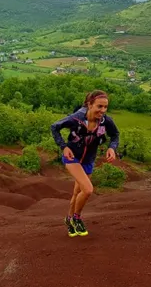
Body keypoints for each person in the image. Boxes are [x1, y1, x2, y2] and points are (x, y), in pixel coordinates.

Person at [50, 90, 120, 237]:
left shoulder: (106, 121)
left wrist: (112, 148)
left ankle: (68, 219)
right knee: (88, 190)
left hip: (88, 160)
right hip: (72, 157)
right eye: (99, 106)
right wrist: (64, 147)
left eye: (105, 107)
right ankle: (77, 218)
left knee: (77, 192)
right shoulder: (76, 119)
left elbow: (115, 135)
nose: (103, 111)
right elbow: (54, 127)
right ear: (90, 104)